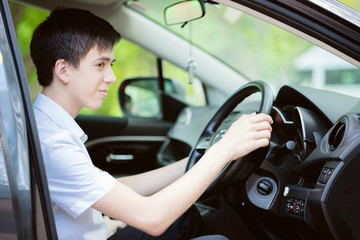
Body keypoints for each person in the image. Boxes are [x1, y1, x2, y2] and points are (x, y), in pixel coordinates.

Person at [31, 8, 273, 240]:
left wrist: (196, 160)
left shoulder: (47, 127)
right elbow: (153, 218)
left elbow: (113, 187)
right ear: (63, 70)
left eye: (110, 65)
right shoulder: (54, 145)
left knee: (183, 217)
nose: (112, 77)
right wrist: (224, 150)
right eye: (100, 65)